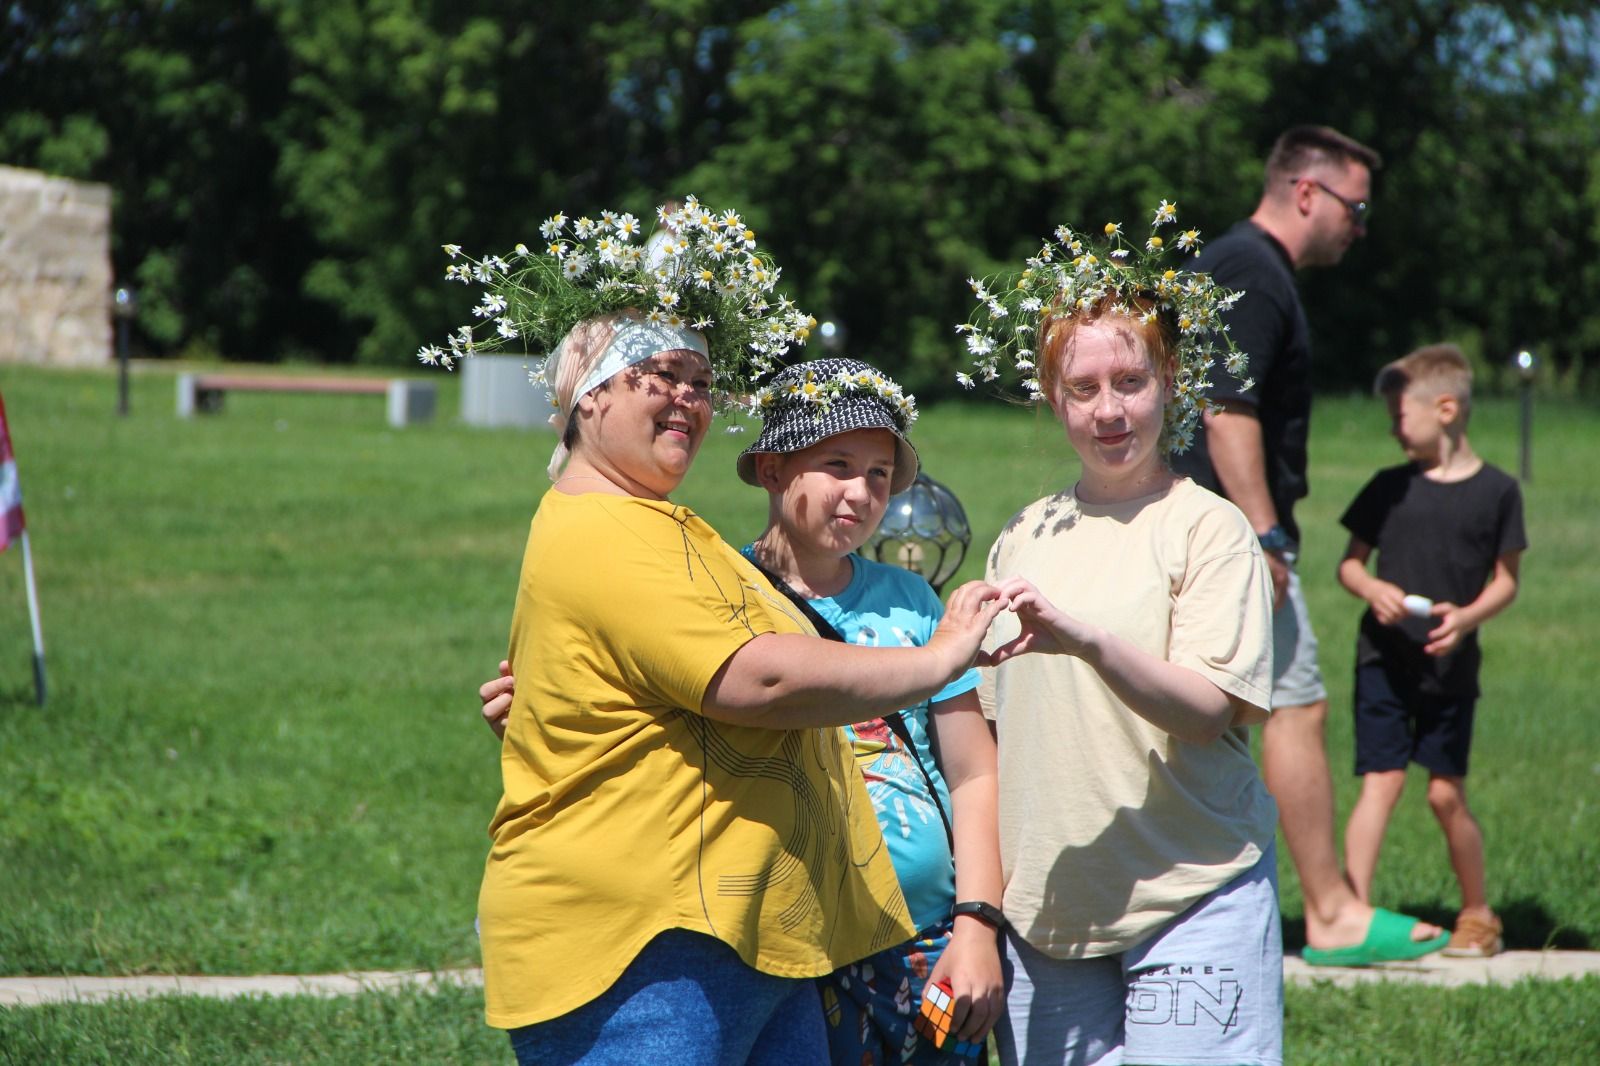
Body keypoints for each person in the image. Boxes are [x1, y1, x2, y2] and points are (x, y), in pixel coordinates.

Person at [435, 199, 1005, 1065]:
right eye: (657, 376)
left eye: (699, 383)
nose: (686, 400)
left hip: (742, 942)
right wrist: (939, 660)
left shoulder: (665, 526)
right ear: (587, 400)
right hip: (646, 958)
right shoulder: (605, 531)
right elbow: (760, 678)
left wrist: (555, 699)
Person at [958, 208, 1283, 1064]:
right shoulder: (1024, 534)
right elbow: (987, 748)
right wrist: (981, 914)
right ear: (1053, 397)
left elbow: (1209, 710)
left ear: (1170, 379)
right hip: (1049, 916)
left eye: (1130, 382)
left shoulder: (1206, 529)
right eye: (1083, 388)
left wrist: (1086, 640)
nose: (1109, 409)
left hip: (1189, 895)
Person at [1168, 125, 1448, 963]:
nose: (1359, 228)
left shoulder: (1238, 264)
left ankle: (1273, 903)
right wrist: (1263, 532)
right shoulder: (1253, 270)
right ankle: (1330, 914)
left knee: (1229, 716)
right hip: (1230, 530)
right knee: (1294, 703)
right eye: (1354, 209)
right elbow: (1227, 409)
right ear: (1306, 193)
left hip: (1203, 525)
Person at [738, 358, 1005, 1062]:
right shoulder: (719, 595)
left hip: (921, 942)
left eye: (879, 474)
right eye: (837, 464)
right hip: (781, 951)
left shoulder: (912, 604)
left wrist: (977, 925)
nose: (860, 492)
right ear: (771, 469)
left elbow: (975, 774)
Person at [1335, 344, 1526, 959]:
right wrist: (1372, 588)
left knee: (1445, 793)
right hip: (1382, 658)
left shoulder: (1498, 492)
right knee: (1381, 782)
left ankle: (1478, 914)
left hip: (1449, 664)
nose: (1393, 428)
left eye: (1400, 415)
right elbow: (1349, 567)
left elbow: (1506, 581)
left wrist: (1468, 618)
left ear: (1445, 409)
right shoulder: (1389, 488)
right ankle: (1350, 914)